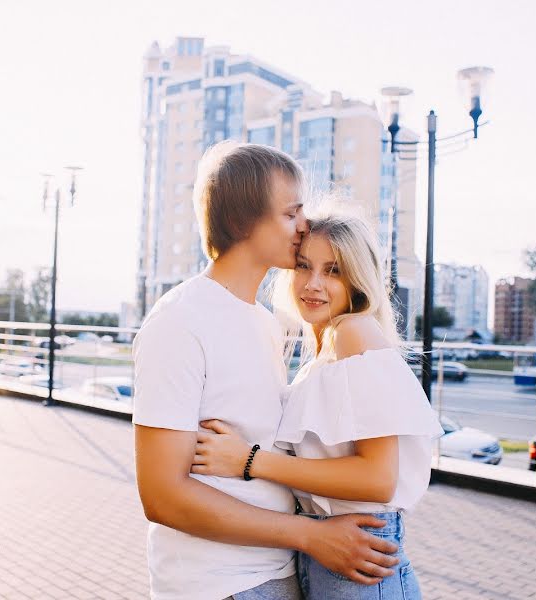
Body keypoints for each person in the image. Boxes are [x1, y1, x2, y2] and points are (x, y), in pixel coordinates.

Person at [133, 143, 401, 600]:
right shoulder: (179, 320)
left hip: (281, 570)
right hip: (218, 584)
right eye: (290, 213)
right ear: (241, 222)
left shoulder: (263, 322)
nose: (304, 225)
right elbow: (162, 496)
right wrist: (310, 536)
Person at [192, 209, 444, 599]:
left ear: (357, 280)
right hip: (324, 557)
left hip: (359, 559)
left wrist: (248, 460)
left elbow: (378, 479)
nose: (313, 284)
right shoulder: (325, 348)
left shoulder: (354, 333)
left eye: (333, 271)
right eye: (304, 266)